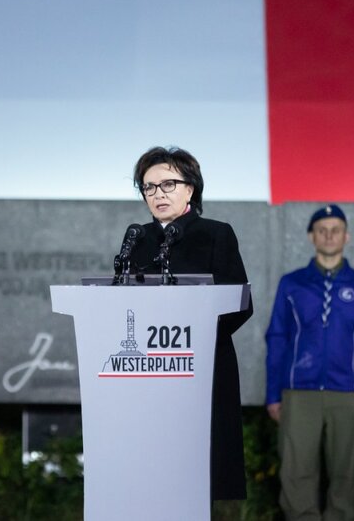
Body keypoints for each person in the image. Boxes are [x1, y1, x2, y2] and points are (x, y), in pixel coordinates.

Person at [127, 145, 253, 501]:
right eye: (148, 187)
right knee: (154, 478)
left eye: (167, 184)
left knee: (198, 475)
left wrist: (188, 341)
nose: (157, 194)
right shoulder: (138, 239)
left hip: (203, 367)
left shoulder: (215, 234)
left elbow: (239, 303)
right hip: (149, 372)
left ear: (190, 189)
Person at [264, 204, 354, 520]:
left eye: (335, 230)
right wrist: (273, 393)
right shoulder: (292, 284)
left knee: (348, 476)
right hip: (299, 392)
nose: (329, 235)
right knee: (296, 473)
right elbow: (277, 338)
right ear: (311, 236)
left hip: (350, 392)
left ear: (347, 236)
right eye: (322, 229)